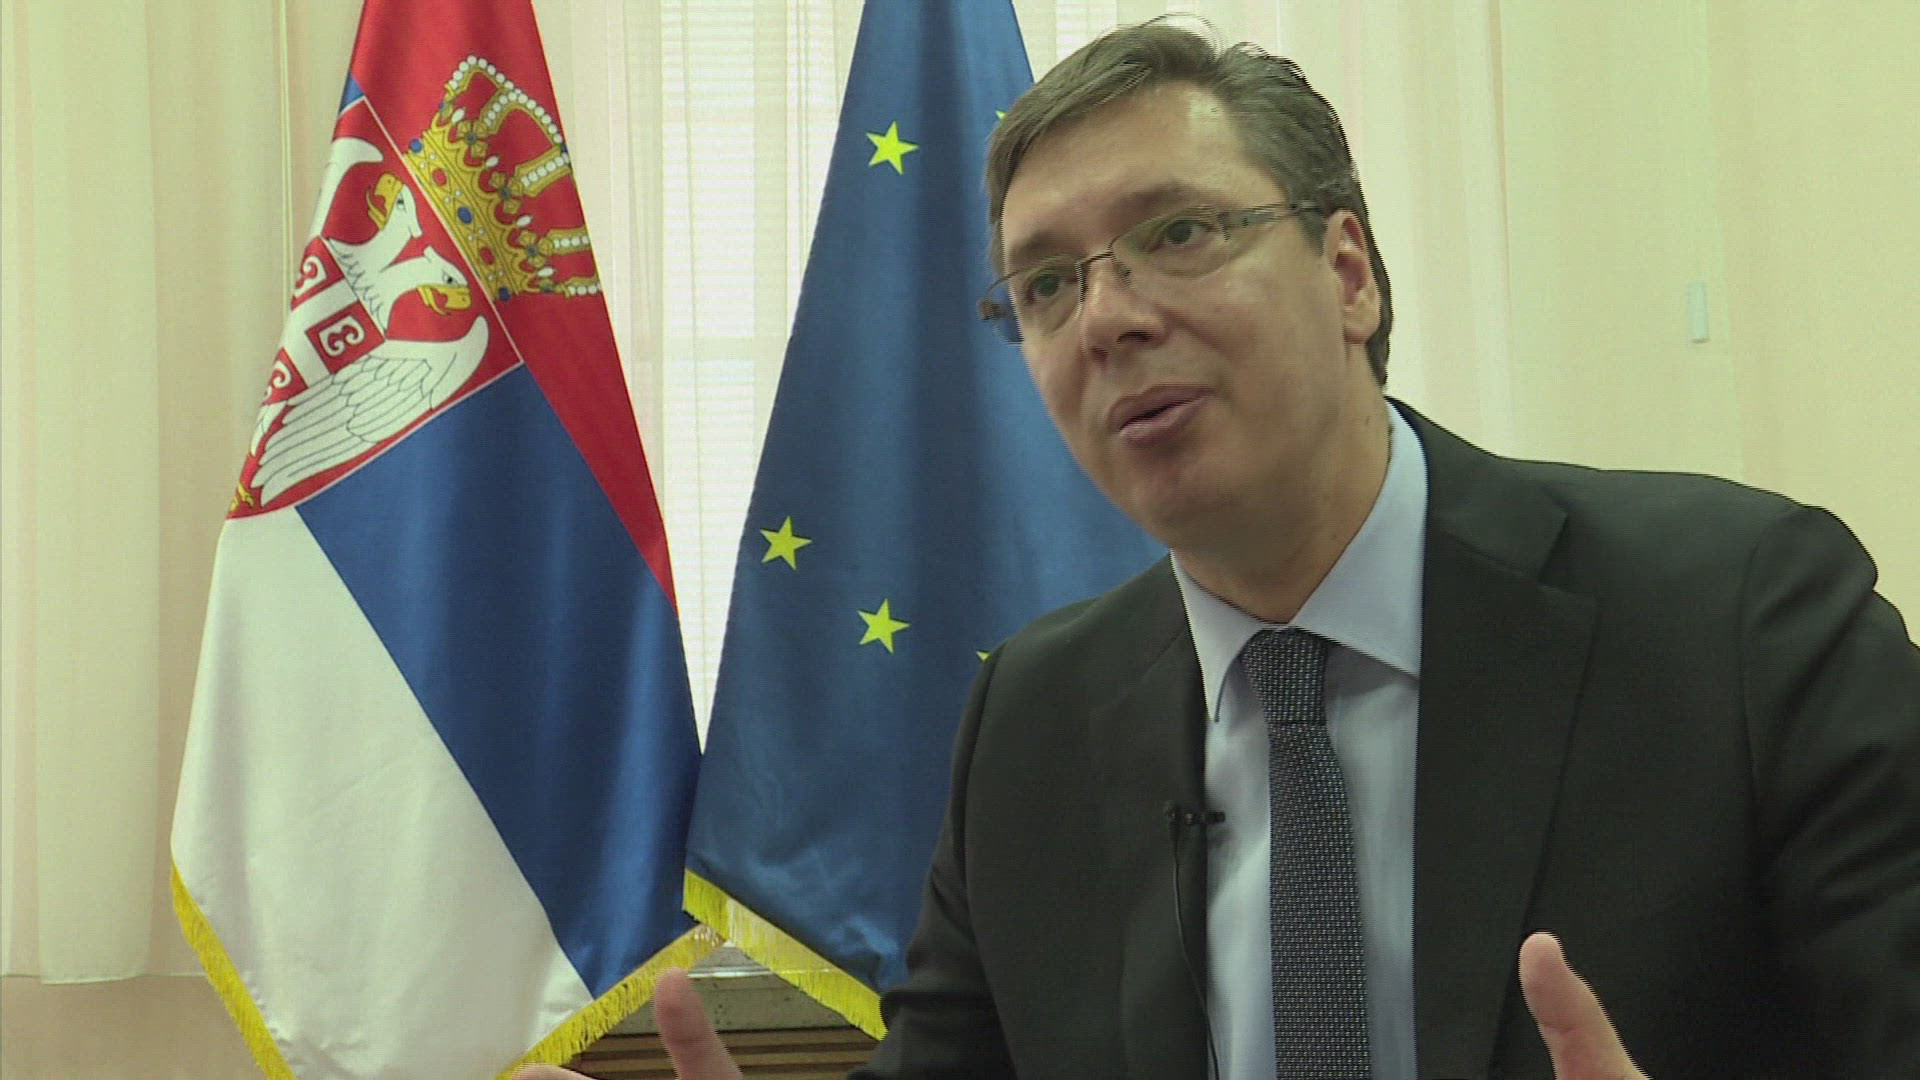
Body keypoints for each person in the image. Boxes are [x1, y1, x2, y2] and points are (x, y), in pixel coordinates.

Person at [524, 18, 1920, 1080]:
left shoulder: (1741, 618)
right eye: (1046, 284)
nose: (1107, 319)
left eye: (1180, 232)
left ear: (1349, 274)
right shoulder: (1032, 718)